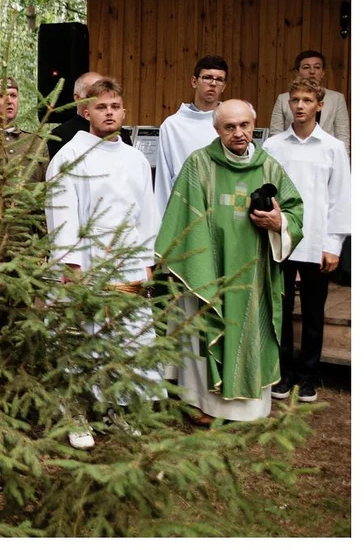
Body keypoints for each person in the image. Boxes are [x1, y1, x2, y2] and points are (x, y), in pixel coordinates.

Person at [156, 100, 303, 423]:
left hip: (254, 272)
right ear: (216, 129)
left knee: (253, 330)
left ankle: (250, 408)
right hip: (209, 267)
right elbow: (180, 219)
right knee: (201, 326)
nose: (238, 133)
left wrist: (279, 224)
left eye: (244, 126)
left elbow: (294, 211)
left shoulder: (269, 167)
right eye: (229, 127)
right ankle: (202, 404)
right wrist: (193, 264)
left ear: (255, 125)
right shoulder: (199, 165)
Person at [45, 78, 160, 449]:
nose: (109, 113)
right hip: (85, 267)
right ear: (85, 111)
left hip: (127, 266)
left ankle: (119, 409)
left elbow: (147, 214)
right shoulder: (69, 157)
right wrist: (70, 266)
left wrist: (146, 262)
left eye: (115, 107)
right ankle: (75, 412)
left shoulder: (136, 158)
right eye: (101, 107)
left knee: (128, 340)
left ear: (124, 112)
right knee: (80, 340)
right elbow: (61, 214)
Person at [264, 79, 351, 403]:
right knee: (280, 310)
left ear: (319, 106)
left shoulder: (332, 148)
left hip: (316, 242)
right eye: (295, 100)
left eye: (306, 101)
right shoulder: (274, 147)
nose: (300, 106)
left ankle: (308, 376)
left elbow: (340, 197)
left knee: (314, 313)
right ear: (288, 104)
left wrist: (333, 244)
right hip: (281, 240)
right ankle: (283, 373)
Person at [154, 55, 227, 212]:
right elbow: (163, 179)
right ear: (194, 81)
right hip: (184, 207)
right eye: (207, 78)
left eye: (219, 80)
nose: (213, 84)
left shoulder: (231, 123)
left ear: (224, 86)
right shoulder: (172, 125)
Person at [269, 50, 350, 151]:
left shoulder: (337, 98)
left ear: (323, 72)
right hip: (291, 153)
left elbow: (343, 136)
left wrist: (342, 160)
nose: (312, 72)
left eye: (317, 67)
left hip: (326, 155)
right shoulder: (283, 99)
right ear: (297, 72)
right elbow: (276, 133)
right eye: (306, 67)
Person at [46, 71, 132, 161]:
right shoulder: (59, 136)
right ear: (77, 98)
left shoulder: (121, 134)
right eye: (92, 93)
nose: (101, 96)